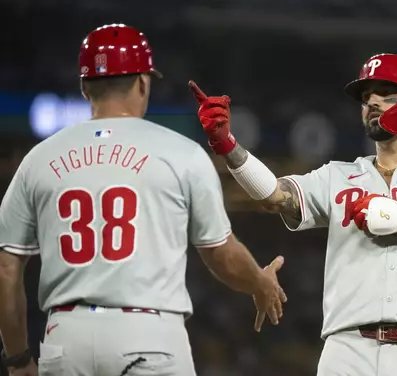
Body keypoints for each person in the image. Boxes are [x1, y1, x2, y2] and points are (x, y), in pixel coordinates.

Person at [189, 52, 397, 376]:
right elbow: (276, 196)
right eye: (366, 97)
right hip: (346, 352)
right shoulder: (339, 175)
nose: (372, 103)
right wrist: (229, 147)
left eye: (386, 94)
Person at [0, 23, 286, 376]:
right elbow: (221, 255)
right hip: (150, 334)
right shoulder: (181, 153)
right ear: (142, 82)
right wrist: (259, 282)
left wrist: (17, 358)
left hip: (66, 335)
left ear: (84, 86)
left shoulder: (39, 158)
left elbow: (6, 267)